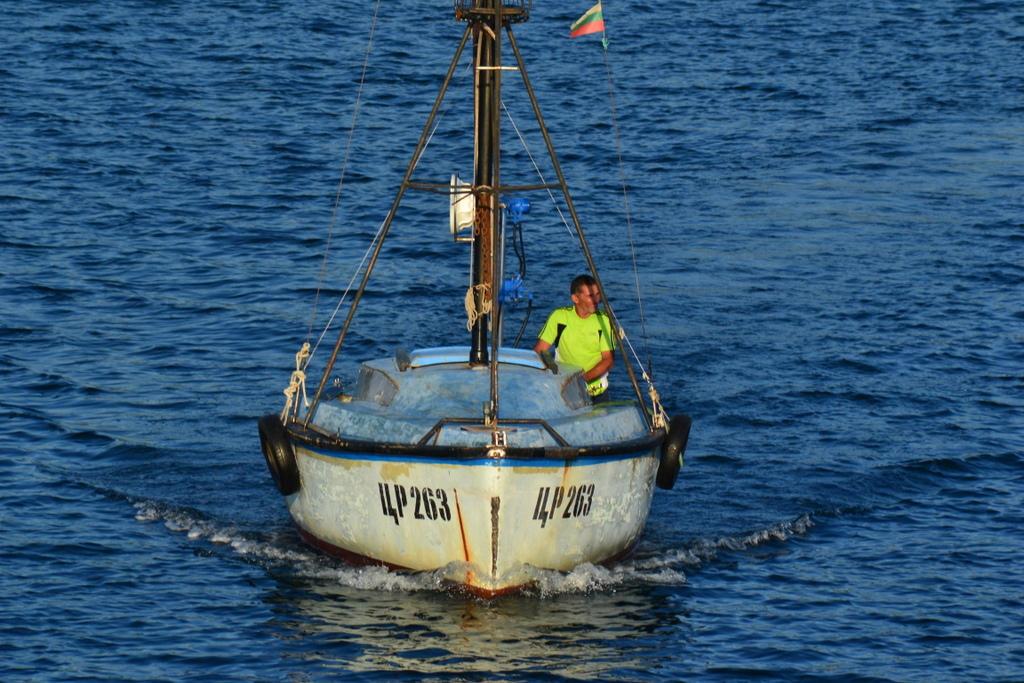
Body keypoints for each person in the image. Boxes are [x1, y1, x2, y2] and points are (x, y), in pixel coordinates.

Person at [533, 274, 615, 403]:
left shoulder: (604, 320)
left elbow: (608, 360)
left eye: (597, 294)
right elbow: (539, 351)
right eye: (590, 296)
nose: (596, 300)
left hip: (596, 393)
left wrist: (581, 381)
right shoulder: (559, 317)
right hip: (565, 392)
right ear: (575, 298)